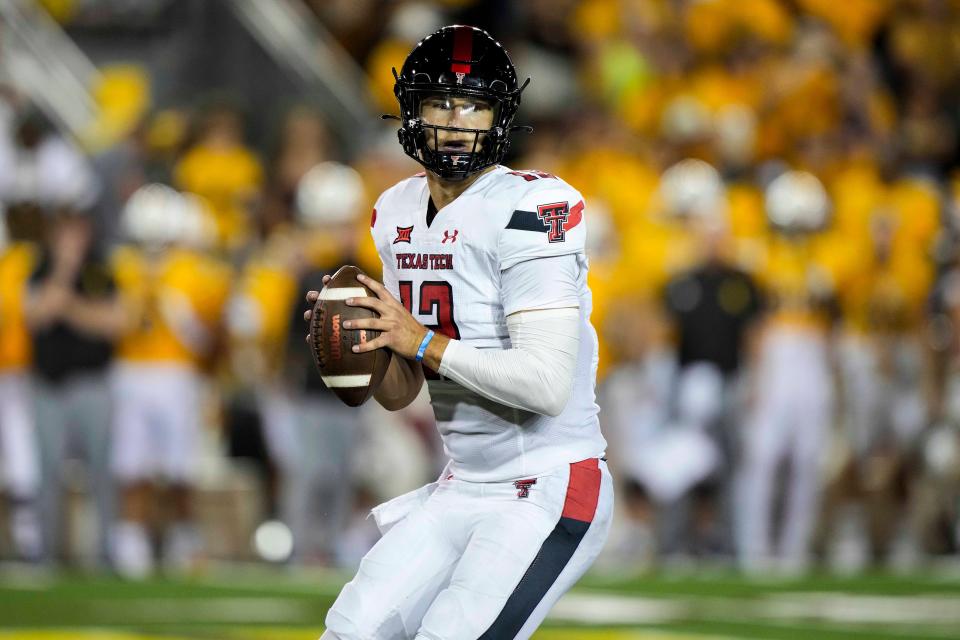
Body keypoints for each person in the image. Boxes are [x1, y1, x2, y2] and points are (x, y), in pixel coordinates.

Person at [304, 25, 613, 640]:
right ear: (411, 112)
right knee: (349, 631)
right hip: (460, 480)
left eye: (473, 104)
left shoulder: (533, 209)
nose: (455, 120)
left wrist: (417, 339)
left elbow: (547, 384)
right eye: (440, 102)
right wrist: (368, 341)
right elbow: (402, 392)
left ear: (499, 117)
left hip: (546, 481)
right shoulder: (394, 211)